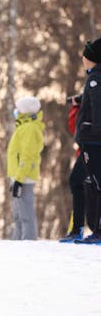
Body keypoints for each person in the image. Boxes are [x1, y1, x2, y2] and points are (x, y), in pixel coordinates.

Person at [74, 38, 101, 244]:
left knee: (97, 184)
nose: (82, 59)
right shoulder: (94, 78)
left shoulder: (95, 80)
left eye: (85, 55)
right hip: (92, 139)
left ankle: (98, 230)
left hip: (94, 141)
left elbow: (97, 109)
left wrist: (91, 133)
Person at [7, 96, 45, 240]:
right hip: (17, 175)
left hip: (24, 176)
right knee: (18, 214)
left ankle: (28, 241)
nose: (16, 111)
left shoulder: (29, 128)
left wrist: (19, 179)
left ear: (25, 111)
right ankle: (17, 241)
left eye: (18, 108)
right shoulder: (23, 127)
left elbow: (27, 155)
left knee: (25, 213)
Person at [59, 94, 93, 242]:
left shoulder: (95, 86)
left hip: (93, 147)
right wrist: (75, 107)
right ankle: (78, 228)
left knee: (86, 185)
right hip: (86, 147)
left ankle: (83, 228)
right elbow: (75, 129)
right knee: (78, 183)